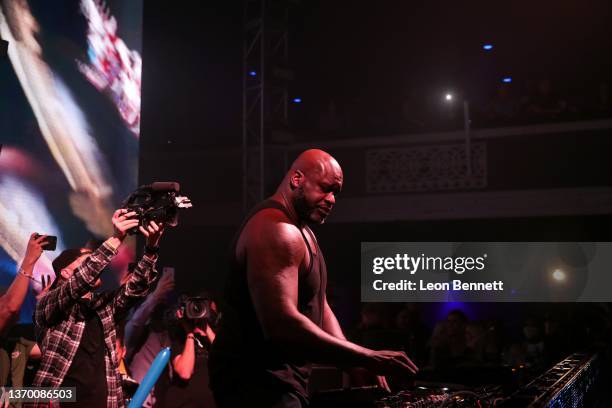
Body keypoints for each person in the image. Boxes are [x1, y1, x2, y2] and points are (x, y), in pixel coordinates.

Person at [209, 149, 418, 407]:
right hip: (255, 384)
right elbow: (282, 325)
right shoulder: (276, 231)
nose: (331, 200)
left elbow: (320, 306)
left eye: (336, 193)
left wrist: (353, 364)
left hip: (280, 382)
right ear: (297, 179)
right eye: (325, 188)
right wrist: (366, 357)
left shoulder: (304, 232)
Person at [30, 209, 164, 408]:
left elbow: (136, 287)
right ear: (66, 273)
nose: (97, 263)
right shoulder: (50, 305)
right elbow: (83, 277)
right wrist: (116, 238)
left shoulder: (104, 307)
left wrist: (151, 248)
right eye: (86, 259)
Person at [154, 297, 217, 408]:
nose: (196, 313)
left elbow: (225, 355)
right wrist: (189, 332)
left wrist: (206, 327)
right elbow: (185, 372)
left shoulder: (210, 338)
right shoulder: (179, 339)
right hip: (185, 402)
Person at [0, 234, 48, 336]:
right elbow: (9, 308)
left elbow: (48, 344)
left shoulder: (14, 340)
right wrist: (29, 259)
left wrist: (43, 307)